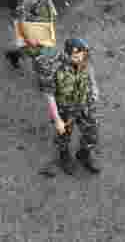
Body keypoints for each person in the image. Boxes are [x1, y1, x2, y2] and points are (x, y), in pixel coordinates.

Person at [40, 38, 101, 175]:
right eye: (76, 56)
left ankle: (84, 154)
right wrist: (57, 120)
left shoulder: (84, 57)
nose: (80, 59)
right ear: (67, 55)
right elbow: (49, 95)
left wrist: (94, 88)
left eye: (82, 55)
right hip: (65, 109)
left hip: (85, 103)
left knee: (92, 132)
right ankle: (64, 156)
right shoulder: (54, 67)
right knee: (63, 136)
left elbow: (89, 70)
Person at [5, 0, 58, 73]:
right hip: (32, 24)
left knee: (34, 49)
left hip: (40, 20)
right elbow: (22, 11)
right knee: (37, 51)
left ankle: (16, 55)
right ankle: (43, 74)